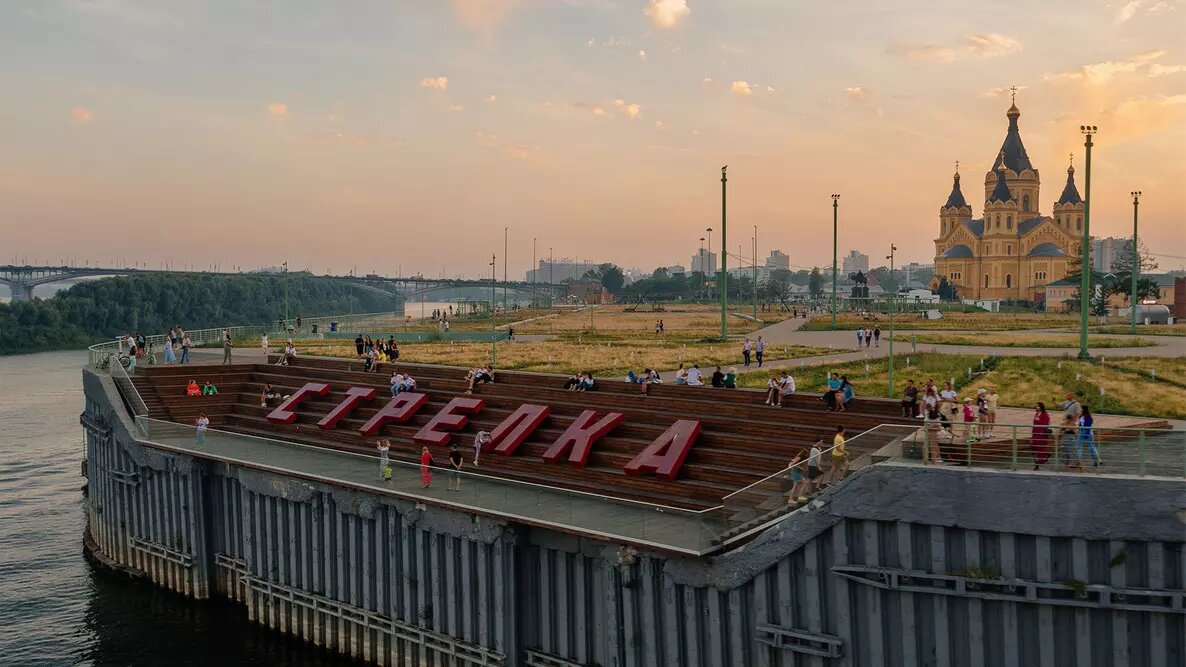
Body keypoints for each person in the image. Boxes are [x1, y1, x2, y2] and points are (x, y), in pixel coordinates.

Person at [1030, 402, 1052, 470]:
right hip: (1035, 433)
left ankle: (1037, 464)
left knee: (1040, 449)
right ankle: (1045, 455)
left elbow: (1046, 423)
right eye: (1036, 406)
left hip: (1041, 434)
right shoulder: (1036, 414)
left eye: (1037, 406)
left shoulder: (1045, 414)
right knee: (1033, 447)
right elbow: (1034, 423)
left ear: (1041, 407)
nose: (1036, 407)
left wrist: (1038, 421)